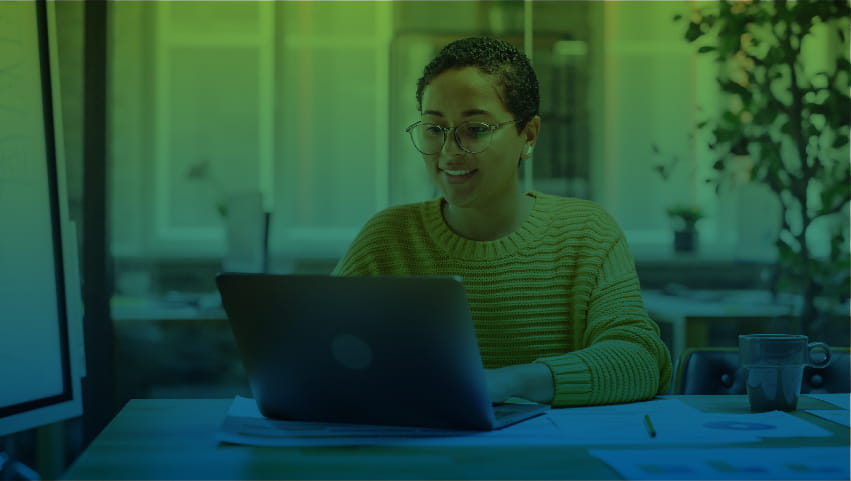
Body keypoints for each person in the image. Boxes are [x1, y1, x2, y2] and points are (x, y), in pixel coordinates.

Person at [333, 37, 672, 407]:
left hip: (550, 458)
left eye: (475, 129)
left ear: (528, 135)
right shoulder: (388, 238)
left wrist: (512, 382)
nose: (448, 152)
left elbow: (640, 360)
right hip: (421, 455)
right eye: (434, 129)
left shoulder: (585, 233)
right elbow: (316, 352)